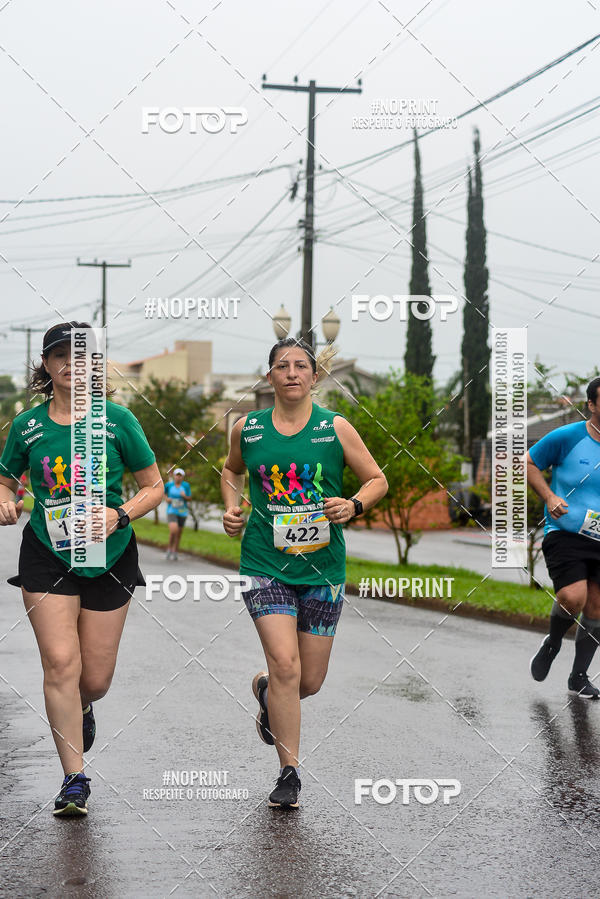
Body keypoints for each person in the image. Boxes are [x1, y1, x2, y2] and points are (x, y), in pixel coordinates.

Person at [0, 322, 164, 815]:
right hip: (46, 554)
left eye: (84, 356)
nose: (73, 365)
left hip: (109, 554)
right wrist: (6, 500)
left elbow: (153, 487)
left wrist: (119, 515)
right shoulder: (28, 426)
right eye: (61, 356)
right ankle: (74, 779)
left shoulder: (118, 420)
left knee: (92, 679)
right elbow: (5, 481)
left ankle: (85, 706)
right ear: (47, 366)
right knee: (59, 664)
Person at [221, 338, 388, 808]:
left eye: (300, 366)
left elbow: (378, 480)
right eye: (281, 366)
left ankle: (266, 692)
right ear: (269, 376)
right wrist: (232, 508)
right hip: (263, 564)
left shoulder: (335, 428)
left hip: (323, 568)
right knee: (287, 665)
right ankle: (289, 773)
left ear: (314, 377)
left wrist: (353, 504)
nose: (291, 372)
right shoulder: (247, 428)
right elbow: (230, 472)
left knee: (307, 681)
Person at [528, 376, 600, 698]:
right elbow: (529, 462)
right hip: (566, 532)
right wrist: (548, 496)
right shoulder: (568, 437)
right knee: (573, 598)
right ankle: (553, 642)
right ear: (592, 405)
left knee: (597, 608)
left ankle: (578, 677)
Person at [164, 467, 191, 560]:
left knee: (179, 533)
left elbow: (189, 497)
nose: (178, 477)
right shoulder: (169, 485)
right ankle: (169, 549)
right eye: (177, 475)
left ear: (182, 477)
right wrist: (167, 499)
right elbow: (163, 493)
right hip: (172, 510)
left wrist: (185, 496)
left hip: (182, 511)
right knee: (173, 530)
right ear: (174, 476)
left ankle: (175, 551)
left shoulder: (186, 486)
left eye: (180, 476)